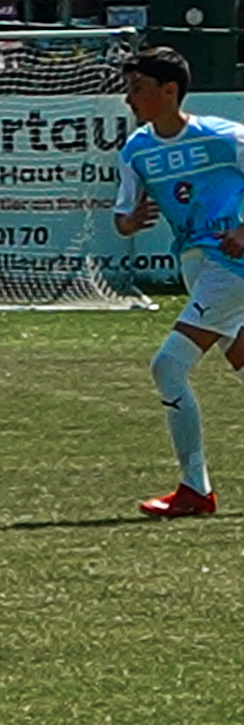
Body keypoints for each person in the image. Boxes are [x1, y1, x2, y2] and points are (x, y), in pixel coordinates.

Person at [114, 48, 244, 518]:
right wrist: (129, 222)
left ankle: (195, 489)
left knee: (168, 366)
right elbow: (121, 220)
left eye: (138, 88)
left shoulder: (225, 137)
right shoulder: (136, 151)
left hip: (232, 267)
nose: (129, 99)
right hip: (197, 269)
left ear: (170, 92)